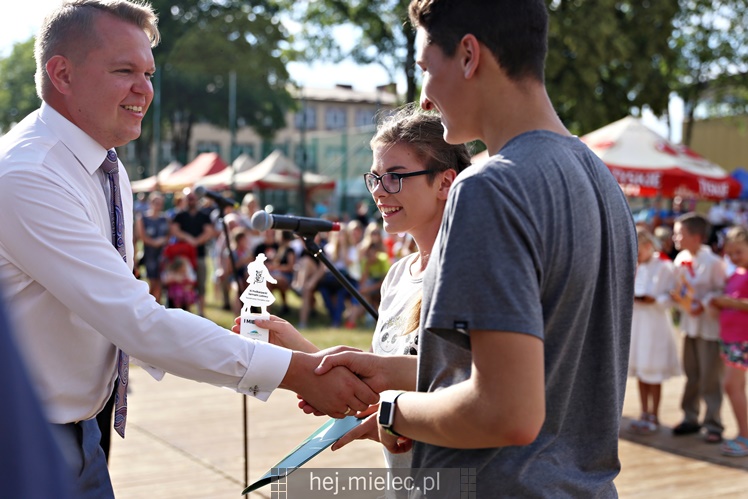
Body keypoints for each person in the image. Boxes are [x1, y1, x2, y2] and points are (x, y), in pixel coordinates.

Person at [0, 2, 376, 496]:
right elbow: (139, 323)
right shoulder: (29, 175)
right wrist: (300, 373)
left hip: (81, 433)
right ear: (62, 73)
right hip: (23, 443)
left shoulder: (102, 165)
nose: (145, 89)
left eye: (149, 72)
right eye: (124, 70)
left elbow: (127, 312)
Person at [313, 1, 638, 496]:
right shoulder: (600, 181)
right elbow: (545, 373)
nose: (424, 98)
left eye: (426, 68)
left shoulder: (490, 186)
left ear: (468, 55)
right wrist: (394, 371)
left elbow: (504, 413)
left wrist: (392, 411)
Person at [240, 106, 471, 469]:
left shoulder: (471, 272)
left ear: (444, 182)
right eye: (374, 178)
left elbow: (478, 390)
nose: (379, 192)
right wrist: (294, 348)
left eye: (394, 177)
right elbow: (378, 381)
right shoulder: (398, 275)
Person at [669, 212, 726, 443]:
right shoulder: (681, 258)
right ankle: (690, 416)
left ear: (695, 236)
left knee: (710, 377)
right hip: (688, 325)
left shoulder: (714, 263)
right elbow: (677, 288)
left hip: (709, 327)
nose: (675, 238)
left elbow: (722, 291)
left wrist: (703, 304)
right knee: (691, 374)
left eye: (679, 233)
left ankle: (714, 423)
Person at [628, 227, 681, 435]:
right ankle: (643, 413)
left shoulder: (665, 267)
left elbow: (672, 297)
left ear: (648, 247)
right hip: (639, 323)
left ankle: (655, 414)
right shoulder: (636, 266)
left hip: (656, 324)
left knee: (654, 372)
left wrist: (655, 300)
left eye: (639, 251)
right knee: (642, 370)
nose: (637, 257)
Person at [708, 226, 748, 456]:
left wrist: (729, 303)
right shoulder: (736, 274)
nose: (733, 257)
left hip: (742, 340)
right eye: (730, 253)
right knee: (734, 387)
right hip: (731, 339)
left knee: (732, 386)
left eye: (739, 252)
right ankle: (743, 433)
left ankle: (744, 436)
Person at [170, 187, 216, 316]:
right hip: (184, 257)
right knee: (185, 284)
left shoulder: (204, 216)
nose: (191, 201)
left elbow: (209, 232)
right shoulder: (180, 215)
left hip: (200, 255)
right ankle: (187, 312)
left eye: (193, 199)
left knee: (201, 285)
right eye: (189, 199)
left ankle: (201, 311)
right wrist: (188, 238)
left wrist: (196, 241)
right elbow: (175, 230)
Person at [135, 191, 170, 303]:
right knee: (152, 281)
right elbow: (141, 236)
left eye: (160, 203)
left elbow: (169, 234)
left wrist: (163, 240)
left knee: (160, 281)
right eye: (155, 202)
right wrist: (155, 242)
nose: (157, 205)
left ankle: (157, 305)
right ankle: (148, 305)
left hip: (162, 255)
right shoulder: (143, 218)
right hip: (149, 254)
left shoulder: (165, 218)